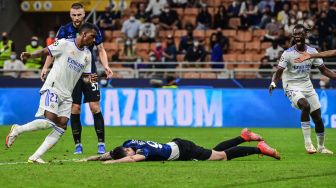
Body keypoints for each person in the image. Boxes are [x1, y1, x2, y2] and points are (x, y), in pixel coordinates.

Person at [5, 23, 98, 164]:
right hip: (53, 87)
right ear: (84, 35)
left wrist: (90, 79)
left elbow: (84, 77)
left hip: (67, 94)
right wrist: (30, 56)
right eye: (92, 36)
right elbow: (45, 51)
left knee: (61, 125)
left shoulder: (87, 55)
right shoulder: (65, 43)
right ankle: (18, 129)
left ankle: (34, 157)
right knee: (50, 121)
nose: (94, 40)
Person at [41, 3, 113, 155]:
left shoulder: (92, 29)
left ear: (83, 14)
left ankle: (101, 143)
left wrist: (106, 66)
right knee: (75, 108)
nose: (76, 18)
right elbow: (53, 50)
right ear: (70, 14)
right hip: (71, 75)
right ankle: (78, 145)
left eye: (79, 15)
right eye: (74, 15)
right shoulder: (64, 30)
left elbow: (101, 49)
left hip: (89, 73)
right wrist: (45, 67)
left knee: (95, 107)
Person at [269, 24, 335, 155]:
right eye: (295, 34)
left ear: (305, 35)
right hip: (291, 86)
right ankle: (308, 143)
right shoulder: (287, 54)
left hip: (307, 86)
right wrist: (273, 83)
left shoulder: (312, 52)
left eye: (300, 34)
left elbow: (324, 70)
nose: (297, 36)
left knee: (317, 118)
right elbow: (278, 72)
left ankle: (321, 147)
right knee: (305, 105)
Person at [83, 129, 280, 164]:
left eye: (126, 154)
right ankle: (244, 137)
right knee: (216, 151)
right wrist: (89, 159)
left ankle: (259, 148)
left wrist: (112, 164)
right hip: (179, 146)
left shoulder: (142, 152)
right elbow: (109, 153)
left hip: (183, 149)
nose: (128, 152)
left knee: (221, 156)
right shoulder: (129, 143)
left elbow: (132, 159)